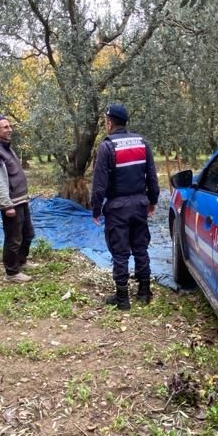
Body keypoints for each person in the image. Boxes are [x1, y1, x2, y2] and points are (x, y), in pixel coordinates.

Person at [90, 103, 160, 310]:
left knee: (120, 252)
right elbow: (152, 176)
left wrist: (95, 209)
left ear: (110, 123)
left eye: (105, 121)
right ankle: (144, 292)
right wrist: (153, 200)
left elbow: (99, 183)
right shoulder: (141, 143)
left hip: (117, 207)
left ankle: (122, 299)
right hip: (140, 204)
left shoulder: (107, 146)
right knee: (140, 247)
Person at [0, 115, 35, 283]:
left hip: (20, 200)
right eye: (5, 127)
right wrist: (6, 205)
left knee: (27, 234)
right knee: (13, 238)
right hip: (11, 203)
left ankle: (21, 262)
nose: (9, 129)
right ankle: (11, 273)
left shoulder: (6, 148)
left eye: (9, 126)